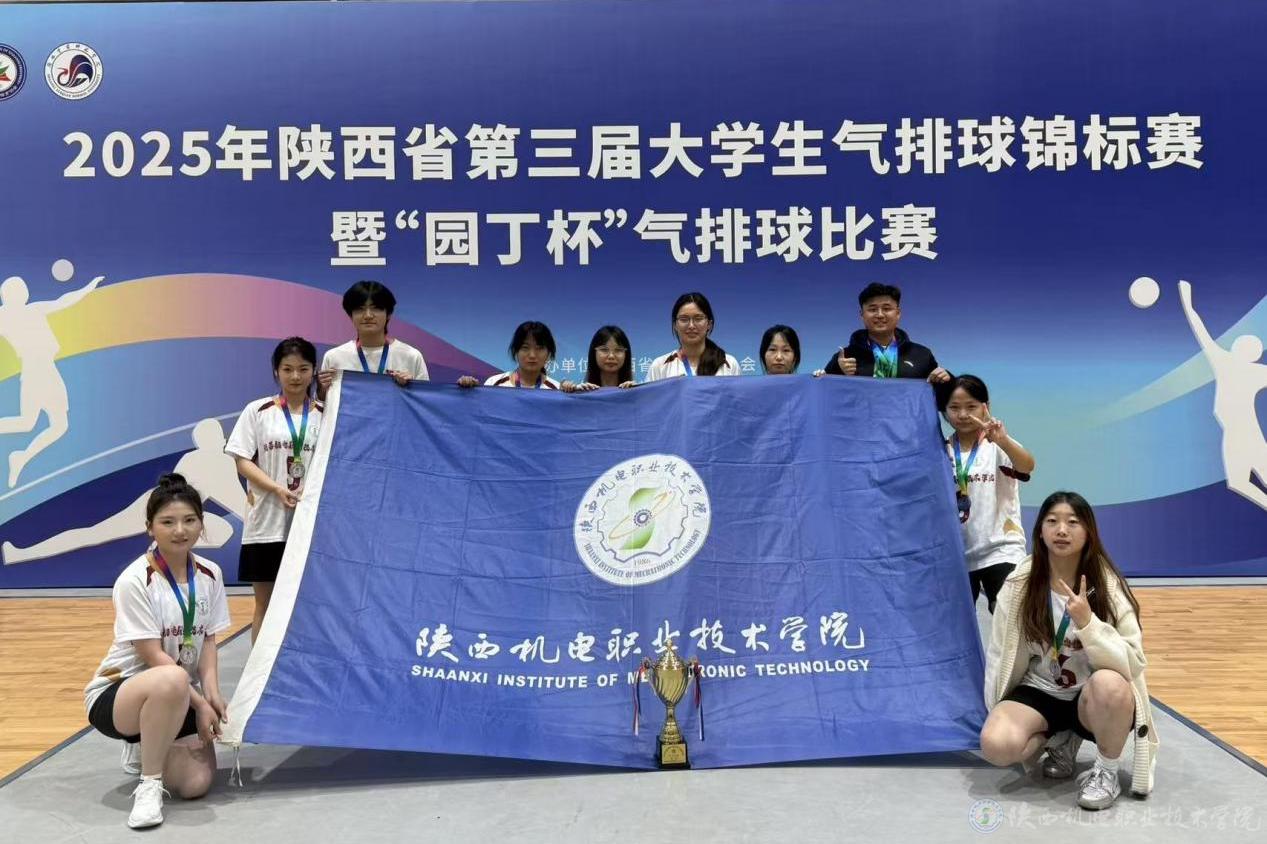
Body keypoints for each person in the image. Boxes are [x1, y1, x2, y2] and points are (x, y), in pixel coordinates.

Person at [980, 491, 1157, 810]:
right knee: (996, 745)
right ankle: (1060, 738)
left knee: (1110, 685)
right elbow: (998, 656)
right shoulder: (1020, 583)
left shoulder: (1108, 585)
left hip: (1092, 696)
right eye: (1052, 521)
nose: (1061, 530)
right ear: (1040, 531)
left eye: (1073, 522)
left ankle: (1106, 771)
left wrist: (1088, 623)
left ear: (1088, 532)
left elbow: (1133, 661)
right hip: (1041, 689)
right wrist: (999, 709)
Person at [83, 474, 231, 829]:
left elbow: (208, 639)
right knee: (172, 677)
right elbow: (153, 657)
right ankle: (148, 785)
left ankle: (152, 741)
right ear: (150, 527)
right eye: (167, 522)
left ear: (201, 524)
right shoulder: (134, 580)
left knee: (195, 785)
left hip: (178, 693)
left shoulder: (211, 574)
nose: (180, 530)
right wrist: (200, 705)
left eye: (189, 520)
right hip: (119, 693)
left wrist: (212, 694)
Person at [3, 418, 247, 564]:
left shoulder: (203, 459)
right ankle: (22, 554)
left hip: (170, 513)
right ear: (220, 440)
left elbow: (239, 505)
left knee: (222, 529)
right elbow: (241, 506)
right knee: (93, 534)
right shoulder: (215, 461)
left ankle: (161, 547)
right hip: (155, 507)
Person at [226, 337, 323, 643]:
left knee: (307, 607)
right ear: (276, 372)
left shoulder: (326, 414)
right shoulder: (258, 411)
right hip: (265, 526)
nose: (295, 376)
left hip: (310, 527)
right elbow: (242, 461)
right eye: (287, 369)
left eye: (303, 369)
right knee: (265, 605)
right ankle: (260, 669)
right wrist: (277, 488)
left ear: (314, 371)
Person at [937, 374, 1035, 613]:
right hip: (958, 554)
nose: (962, 415)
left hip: (1002, 549)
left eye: (971, 407)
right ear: (944, 411)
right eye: (954, 408)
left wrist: (1004, 441)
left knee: (1009, 616)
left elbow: (1027, 466)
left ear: (985, 407)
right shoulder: (940, 450)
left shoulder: (997, 445)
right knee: (958, 622)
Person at [0, 271, 102, 487]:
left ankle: (21, 458)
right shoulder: (18, 313)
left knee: (38, 423)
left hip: (41, 370)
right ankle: (21, 458)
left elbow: (62, 302)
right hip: (39, 371)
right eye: (20, 289)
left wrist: (87, 288)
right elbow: (61, 301)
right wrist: (87, 288)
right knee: (46, 424)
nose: (24, 292)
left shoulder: (22, 312)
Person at [1178, 280, 1267, 509]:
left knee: (1243, 480)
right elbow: (1201, 332)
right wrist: (1188, 304)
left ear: (1248, 352)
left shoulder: (1237, 365)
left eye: (1241, 343)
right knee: (1237, 482)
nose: (1236, 344)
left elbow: (1201, 331)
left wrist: (1188, 303)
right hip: (1234, 435)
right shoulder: (1227, 362)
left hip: (1248, 434)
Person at [814, 283, 950, 383]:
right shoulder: (846, 357)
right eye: (872, 309)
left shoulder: (921, 354)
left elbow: (942, 399)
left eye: (886, 308)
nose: (880, 315)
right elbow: (827, 395)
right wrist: (837, 371)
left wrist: (945, 379)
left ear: (898, 313)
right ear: (862, 315)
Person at [317, 280, 429, 400]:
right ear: (350, 315)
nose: (368, 315)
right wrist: (322, 390)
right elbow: (323, 404)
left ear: (388, 314)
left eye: (376, 308)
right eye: (360, 309)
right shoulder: (334, 357)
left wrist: (410, 388)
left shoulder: (411, 356)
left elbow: (425, 403)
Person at [646, 292, 740, 380]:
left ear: (709, 324)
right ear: (675, 325)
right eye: (684, 319)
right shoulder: (659, 366)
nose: (691, 326)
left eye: (698, 318)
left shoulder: (728, 364)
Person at [459, 321, 560, 389]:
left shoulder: (556, 390)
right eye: (525, 347)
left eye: (539, 348)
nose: (532, 355)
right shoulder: (494, 384)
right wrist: (468, 391)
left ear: (549, 353)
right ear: (515, 351)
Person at [561, 325, 637, 391]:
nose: (611, 356)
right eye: (604, 350)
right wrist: (567, 390)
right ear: (594, 353)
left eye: (618, 350)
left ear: (626, 354)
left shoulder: (634, 391)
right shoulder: (583, 391)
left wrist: (636, 391)